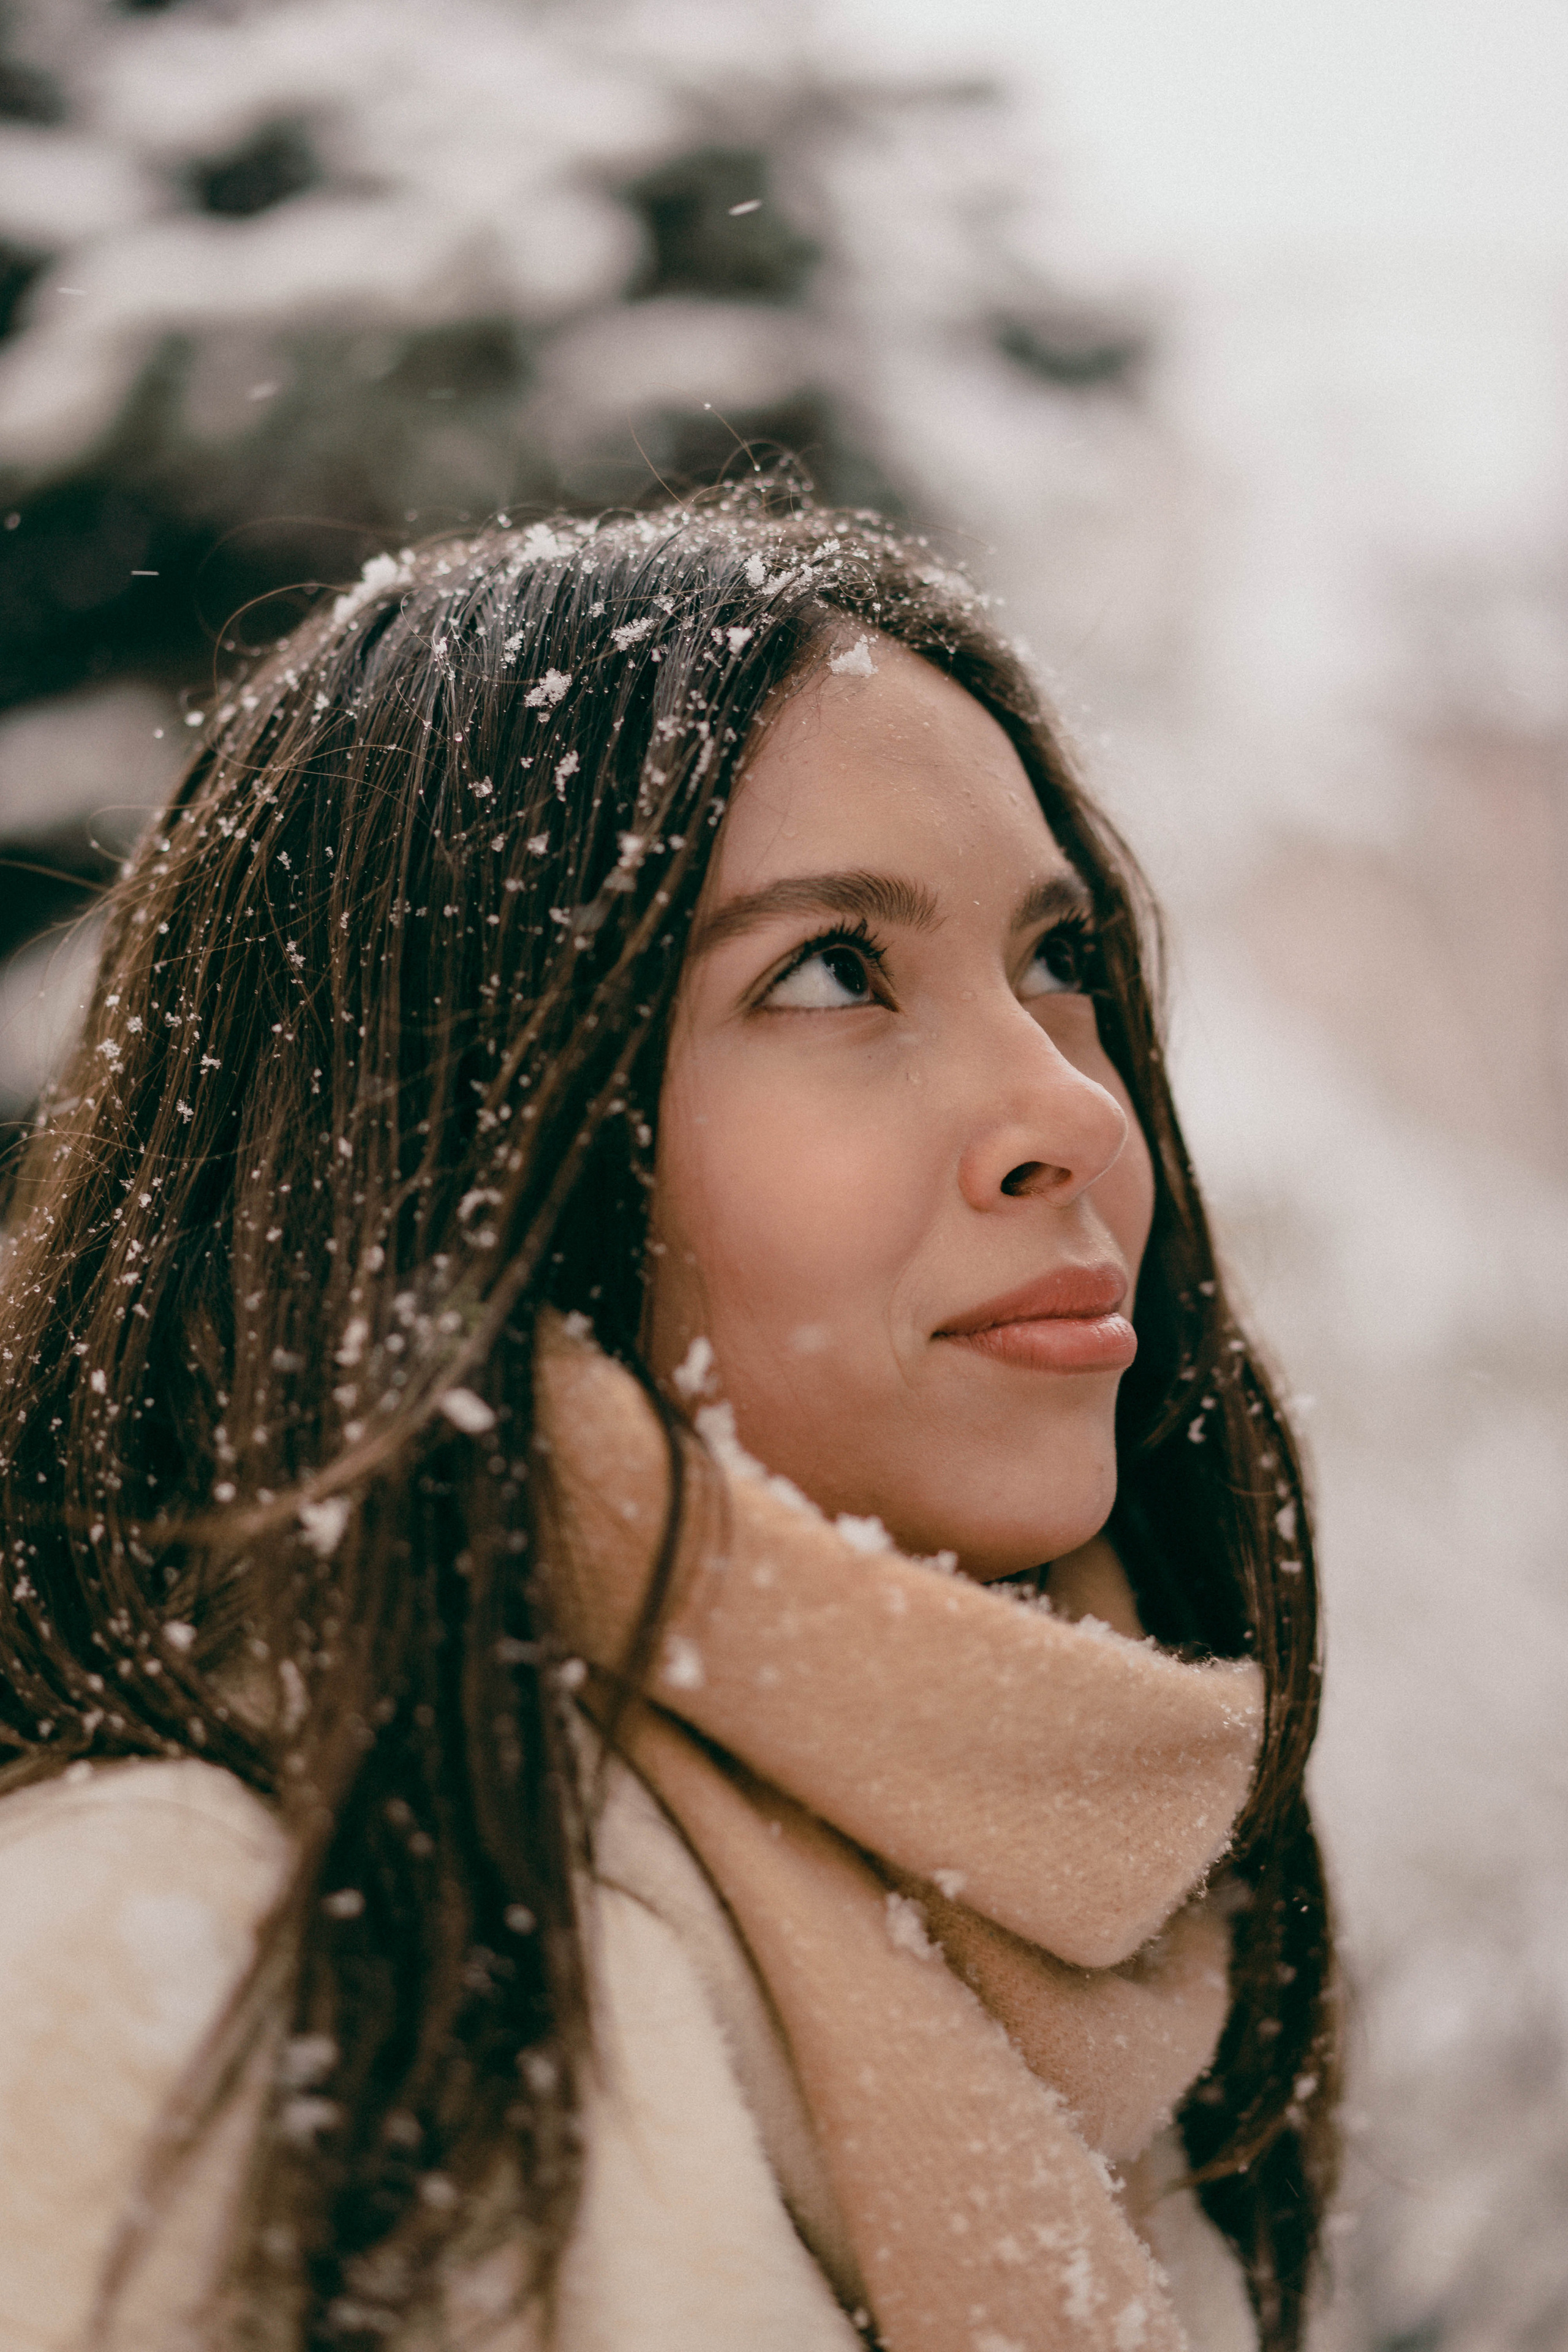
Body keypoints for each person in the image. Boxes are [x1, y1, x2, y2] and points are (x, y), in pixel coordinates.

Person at [0, 489, 1338, 2351]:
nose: (1073, 1113)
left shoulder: (1148, 2007)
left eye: (1062, 960)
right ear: (449, 1137)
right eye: (829, 971)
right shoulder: (147, 2014)